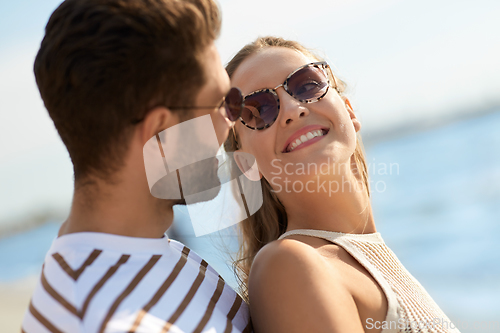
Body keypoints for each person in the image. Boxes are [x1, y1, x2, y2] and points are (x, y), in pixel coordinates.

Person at [22, 0, 251, 332]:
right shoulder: (110, 321)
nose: (233, 120)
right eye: (223, 103)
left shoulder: (148, 253)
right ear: (161, 132)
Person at [223, 36, 460, 333]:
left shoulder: (365, 256)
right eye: (257, 110)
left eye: (307, 84)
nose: (292, 109)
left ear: (349, 110)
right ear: (245, 164)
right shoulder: (290, 265)